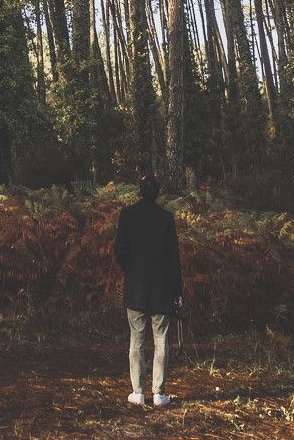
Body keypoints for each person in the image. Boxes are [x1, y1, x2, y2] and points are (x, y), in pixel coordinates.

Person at [113, 171, 183, 409]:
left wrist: (131, 270)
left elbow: (118, 252)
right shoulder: (166, 219)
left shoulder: (127, 215)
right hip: (162, 290)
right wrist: (177, 290)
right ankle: (160, 393)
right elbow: (174, 260)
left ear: (139, 191)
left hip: (136, 288)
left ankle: (138, 392)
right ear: (158, 192)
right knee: (161, 340)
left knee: (137, 340)